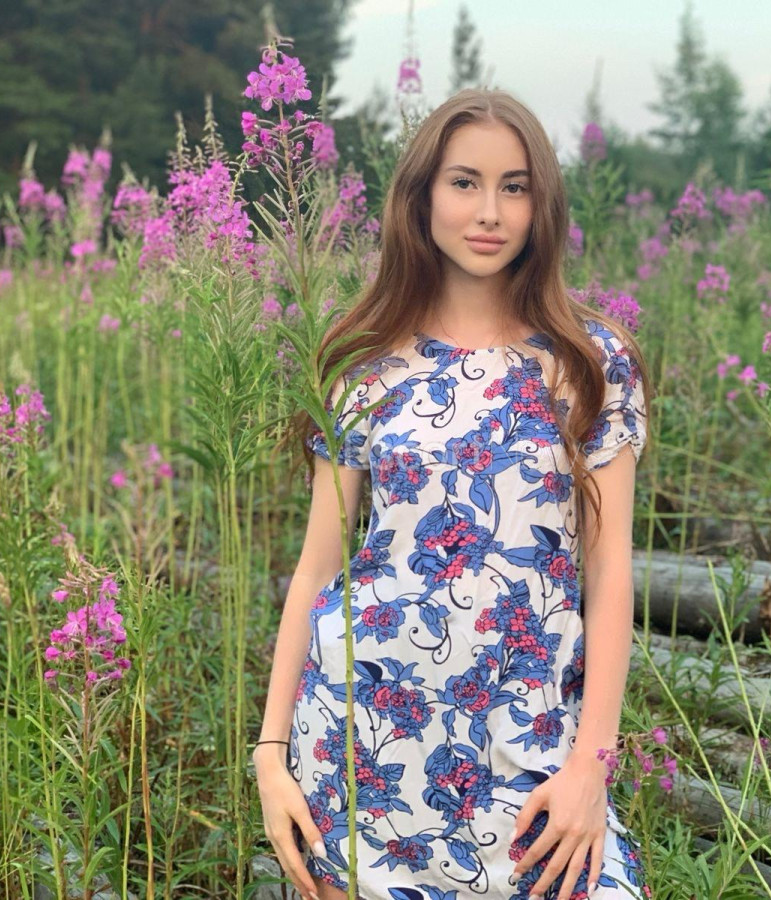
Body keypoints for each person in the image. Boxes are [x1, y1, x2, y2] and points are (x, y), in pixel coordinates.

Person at [253, 87, 653, 900]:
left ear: (542, 205)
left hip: (529, 742)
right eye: (465, 182)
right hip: (362, 745)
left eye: (515, 187)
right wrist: (269, 755)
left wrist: (592, 766)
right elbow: (317, 569)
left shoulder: (590, 363)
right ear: (422, 196)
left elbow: (610, 571)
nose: (490, 211)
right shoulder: (362, 365)